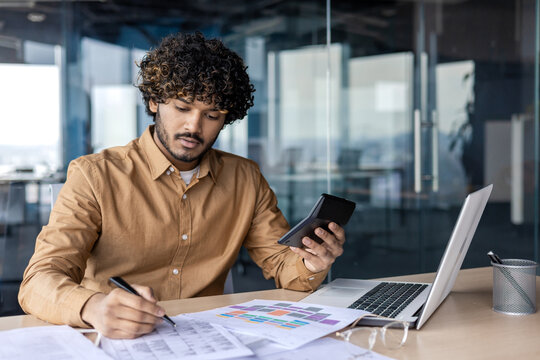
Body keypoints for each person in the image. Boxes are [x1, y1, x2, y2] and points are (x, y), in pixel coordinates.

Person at [18, 32, 346, 339]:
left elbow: (282, 265)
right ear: (154, 102)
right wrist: (93, 307)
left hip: (207, 338)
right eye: (182, 107)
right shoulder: (94, 175)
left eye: (212, 114)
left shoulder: (245, 178)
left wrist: (310, 262)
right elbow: (39, 281)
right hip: (116, 338)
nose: (194, 126)